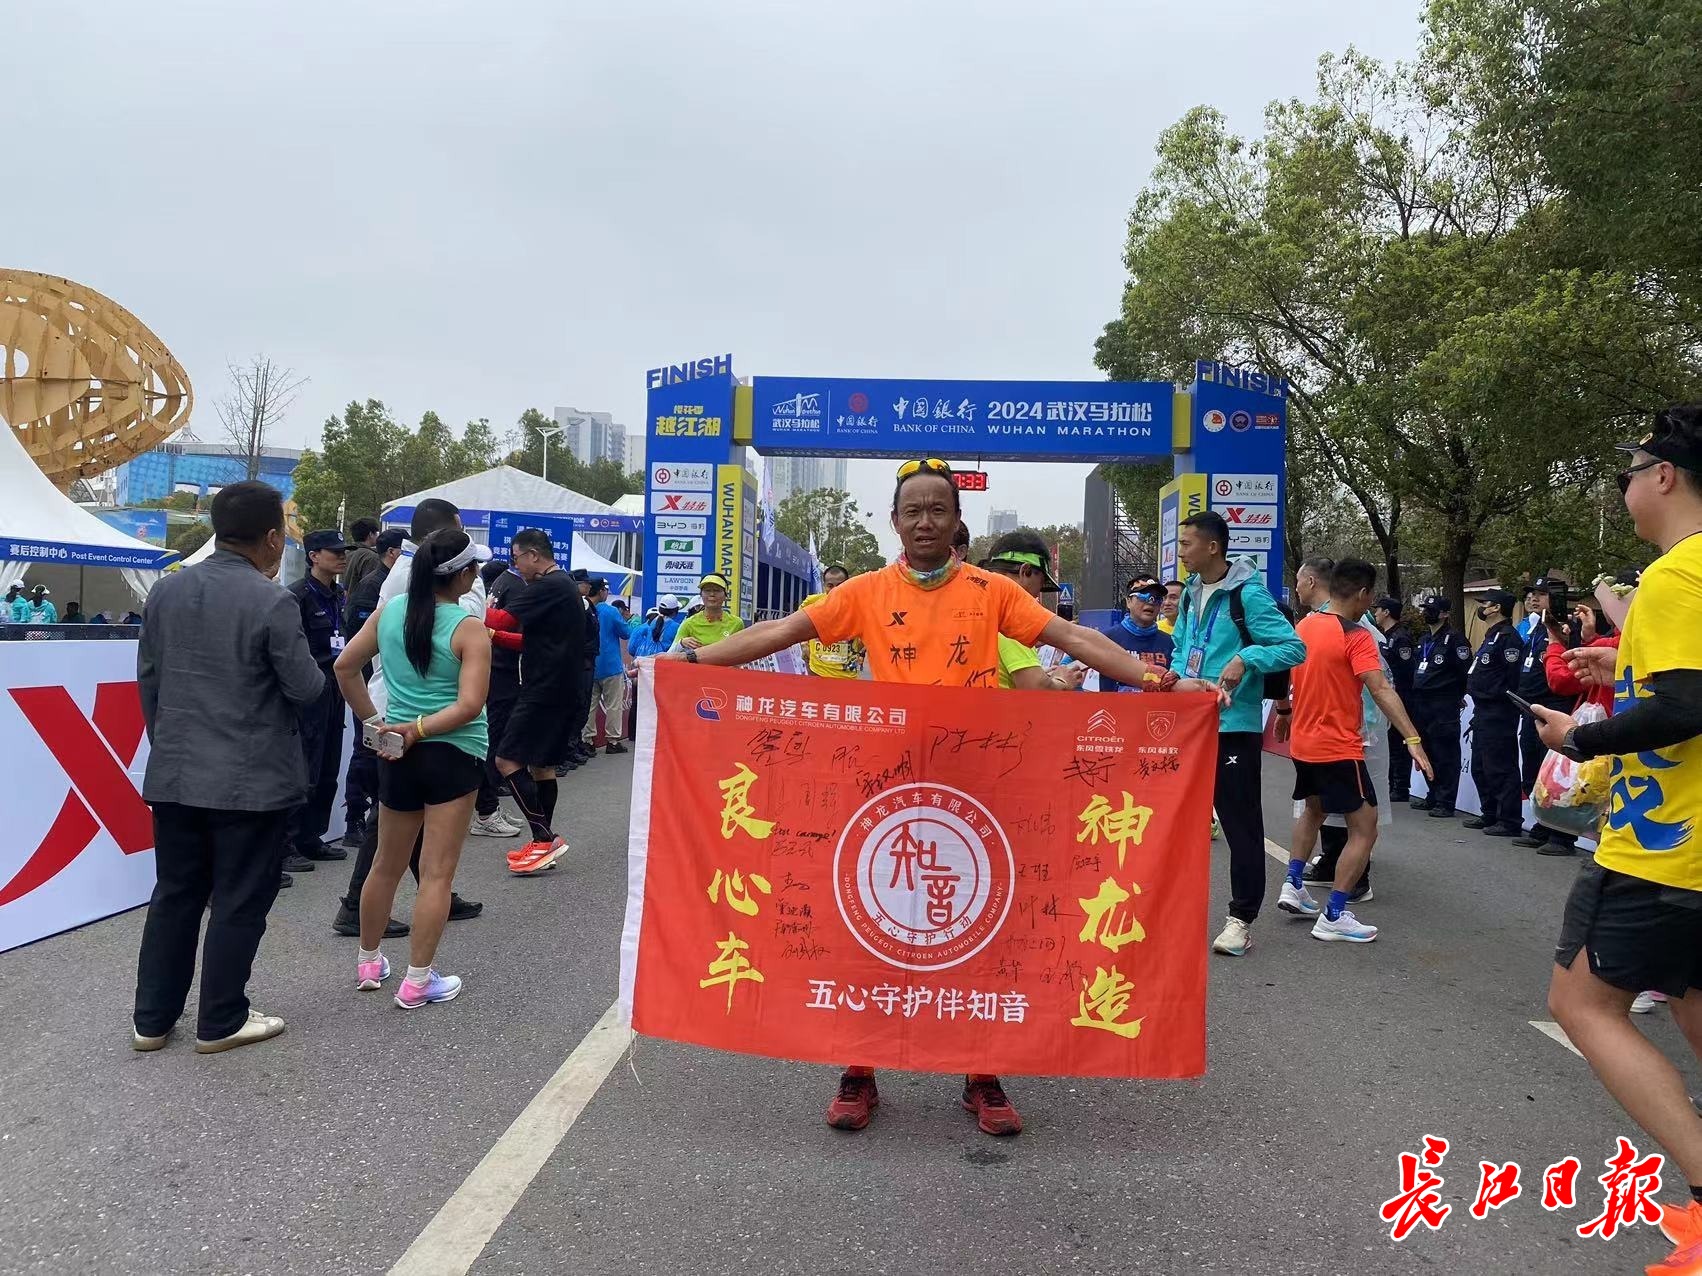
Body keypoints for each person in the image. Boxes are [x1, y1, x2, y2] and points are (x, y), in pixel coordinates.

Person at [655, 457, 1211, 1138]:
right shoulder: (863, 591)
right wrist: (692, 661)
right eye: (913, 510)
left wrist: (1162, 684)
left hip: (977, 788)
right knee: (870, 924)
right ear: (896, 521)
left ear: (956, 520)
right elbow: (782, 632)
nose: (925, 521)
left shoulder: (992, 592)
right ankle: (858, 1067)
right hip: (885, 788)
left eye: (937, 510)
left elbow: (1071, 637)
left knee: (983, 928)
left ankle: (983, 1073)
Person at [1531, 405, 1702, 1273]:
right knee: (1692, 996)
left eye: (1629, 473)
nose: (1626, 489)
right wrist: (1622, 665)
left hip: (1661, 849)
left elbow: (1686, 707)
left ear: (1663, 475)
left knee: (1581, 1006)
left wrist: (1581, 737)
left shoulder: (1675, 575)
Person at [131, 481, 326, 1054]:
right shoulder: (272, 600)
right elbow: (306, 687)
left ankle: (151, 1020)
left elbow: (149, 680)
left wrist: (170, 742)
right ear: (272, 538)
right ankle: (221, 1019)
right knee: (240, 898)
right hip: (250, 780)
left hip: (176, 771)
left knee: (175, 893)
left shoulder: (167, 590)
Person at [334, 528, 491, 1009]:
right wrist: (417, 729)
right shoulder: (468, 628)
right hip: (453, 752)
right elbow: (469, 705)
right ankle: (418, 981)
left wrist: (376, 725)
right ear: (463, 574)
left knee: (386, 863)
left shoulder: (390, 612)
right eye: (474, 569)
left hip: (396, 752)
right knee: (436, 873)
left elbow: (344, 667)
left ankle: (369, 962)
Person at [1168, 513, 1305, 958]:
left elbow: (1293, 647)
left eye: (1186, 544)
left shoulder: (1248, 593)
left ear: (1212, 547)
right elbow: (1182, 648)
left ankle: (1241, 919)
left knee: (1239, 823)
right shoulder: (1191, 592)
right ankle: (1169, 909)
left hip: (1233, 727)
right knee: (1176, 820)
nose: (1180, 552)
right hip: (1188, 723)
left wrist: (1246, 659)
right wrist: (1175, 681)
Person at [1278, 559, 1433, 942]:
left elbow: (1282, 675)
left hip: (1303, 743)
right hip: (1338, 747)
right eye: (1371, 596)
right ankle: (1334, 914)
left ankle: (1293, 884)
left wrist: (1283, 712)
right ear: (1363, 593)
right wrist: (1412, 739)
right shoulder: (1356, 635)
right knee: (1365, 828)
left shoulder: (1304, 626)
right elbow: (1380, 689)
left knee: (1313, 810)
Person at [485, 529, 583, 874]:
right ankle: (543, 843)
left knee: (505, 759)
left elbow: (500, 618)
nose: (516, 567)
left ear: (533, 555)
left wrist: (467, 605)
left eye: (517, 559)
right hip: (559, 686)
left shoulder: (548, 586)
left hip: (544, 689)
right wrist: (495, 636)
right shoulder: (564, 586)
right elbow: (532, 641)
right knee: (542, 765)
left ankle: (544, 836)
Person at [283, 530, 354, 874]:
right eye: (334, 552)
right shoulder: (297, 596)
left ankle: (312, 836)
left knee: (328, 767)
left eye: (343, 551)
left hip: (335, 688)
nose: (341, 557)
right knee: (304, 768)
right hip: (310, 690)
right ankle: (287, 843)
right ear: (313, 556)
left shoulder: (338, 594)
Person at [339, 528, 407, 854]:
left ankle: (374, 816)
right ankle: (355, 816)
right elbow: (357, 641)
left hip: (383, 684)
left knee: (381, 754)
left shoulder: (393, 582)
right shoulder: (374, 586)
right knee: (365, 752)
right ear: (393, 552)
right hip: (368, 682)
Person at [1512, 579, 1578, 852]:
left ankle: (1561, 836)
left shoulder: (1565, 628)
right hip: (1531, 708)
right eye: (1532, 594)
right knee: (1533, 771)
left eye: (1542, 594)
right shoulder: (1535, 629)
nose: (1534, 598)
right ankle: (1542, 826)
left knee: (1554, 773)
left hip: (1556, 708)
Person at [981, 530, 1086, 690]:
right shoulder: (1012, 620)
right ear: (1025, 571)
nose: (1037, 596)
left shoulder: (978, 606)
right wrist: (1063, 681)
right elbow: (1036, 688)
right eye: (1040, 584)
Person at [469, 558, 527, 839]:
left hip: (497, 668)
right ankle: (486, 811)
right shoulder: (515, 585)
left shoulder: (503, 582)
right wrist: (493, 632)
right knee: (492, 743)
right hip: (502, 671)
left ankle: (488, 806)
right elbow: (513, 629)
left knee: (492, 741)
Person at [1464, 589, 1524, 837]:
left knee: (1500, 766)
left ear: (1497, 608)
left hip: (1499, 711)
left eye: (1485, 604)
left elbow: (1512, 678)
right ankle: (1489, 812)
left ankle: (1509, 820)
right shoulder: (1492, 636)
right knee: (1481, 766)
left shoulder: (1509, 638)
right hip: (1482, 710)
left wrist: (1496, 695)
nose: (1482, 608)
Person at [1408, 596, 1471, 819]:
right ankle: (1433, 794)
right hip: (1421, 702)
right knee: (1426, 750)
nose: (1427, 613)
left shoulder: (1455, 639)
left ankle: (1446, 800)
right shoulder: (1425, 639)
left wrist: (1457, 696)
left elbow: (1465, 671)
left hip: (1443, 703)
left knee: (1445, 753)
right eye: (1425, 609)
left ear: (1444, 614)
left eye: (1432, 609)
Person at [1094, 575, 1174, 693]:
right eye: (1143, 596)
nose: (1151, 602)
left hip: (1155, 705)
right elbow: (1071, 663)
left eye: (1157, 598)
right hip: (1115, 705)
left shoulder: (1170, 643)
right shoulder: (1106, 638)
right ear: (1128, 601)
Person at [1372, 597, 1418, 802]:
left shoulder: (1401, 638)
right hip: (1386, 696)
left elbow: (1405, 672)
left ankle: (1401, 786)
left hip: (1400, 696)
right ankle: (1389, 783)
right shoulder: (1383, 636)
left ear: (1387, 612)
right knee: (1389, 743)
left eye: (1378, 609)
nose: (1375, 613)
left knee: (1399, 744)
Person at [585, 578, 634, 754]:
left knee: (590, 705)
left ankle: (587, 740)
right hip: (611, 665)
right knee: (613, 705)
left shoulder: (583, 608)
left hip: (589, 664)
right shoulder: (611, 611)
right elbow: (626, 633)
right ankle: (612, 741)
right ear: (601, 591)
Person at [802, 565, 865, 678]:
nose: (835, 590)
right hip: (817, 672)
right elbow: (798, 626)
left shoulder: (858, 607)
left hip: (846, 677)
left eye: (839, 585)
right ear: (824, 585)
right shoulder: (812, 602)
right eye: (830, 586)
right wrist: (804, 645)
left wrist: (855, 650)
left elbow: (868, 632)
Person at [671, 574, 745, 650]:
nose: (712, 594)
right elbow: (670, 654)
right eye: (707, 590)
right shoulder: (689, 624)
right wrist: (681, 643)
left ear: (725, 595)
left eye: (717, 590)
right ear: (701, 595)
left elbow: (743, 652)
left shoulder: (736, 623)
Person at [342, 517, 383, 595]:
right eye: (377, 533)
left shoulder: (348, 552)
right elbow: (370, 586)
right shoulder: (371, 557)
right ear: (371, 534)